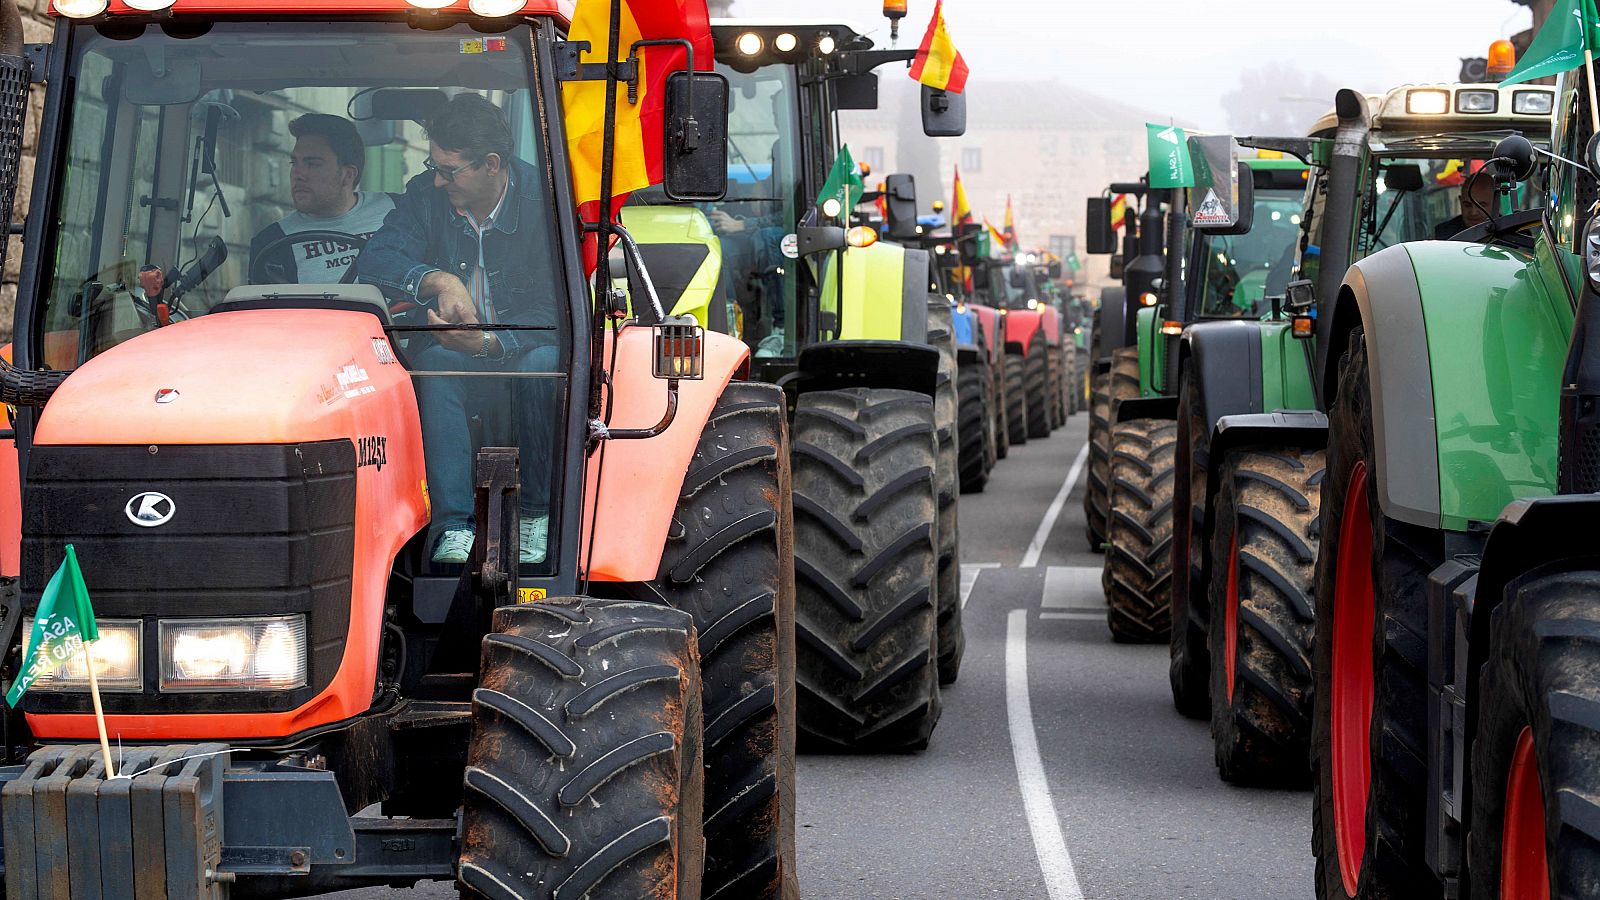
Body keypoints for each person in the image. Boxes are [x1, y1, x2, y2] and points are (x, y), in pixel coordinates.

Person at [358, 94, 561, 565]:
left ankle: (537, 513)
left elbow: (556, 309)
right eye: (435, 164)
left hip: (529, 345)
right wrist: (439, 279)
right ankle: (453, 524)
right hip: (456, 352)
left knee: (545, 365)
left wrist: (491, 342)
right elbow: (378, 257)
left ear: (492, 164)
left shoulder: (546, 199)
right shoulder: (425, 197)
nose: (438, 179)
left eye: (449, 170)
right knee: (433, 365)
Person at [249, 114, 395, 283]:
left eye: (313, 164)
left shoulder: (396, 210)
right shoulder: (272, 243)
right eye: (294, 163)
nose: (298, 174)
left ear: (347, 175)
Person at [1434, 171, 1498, 239]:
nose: (1473, 212)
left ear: (1496, 203)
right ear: (1460, 201)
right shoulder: (1444, 235)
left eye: (1481, 205)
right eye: (1467, 205)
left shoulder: (1508, 233)